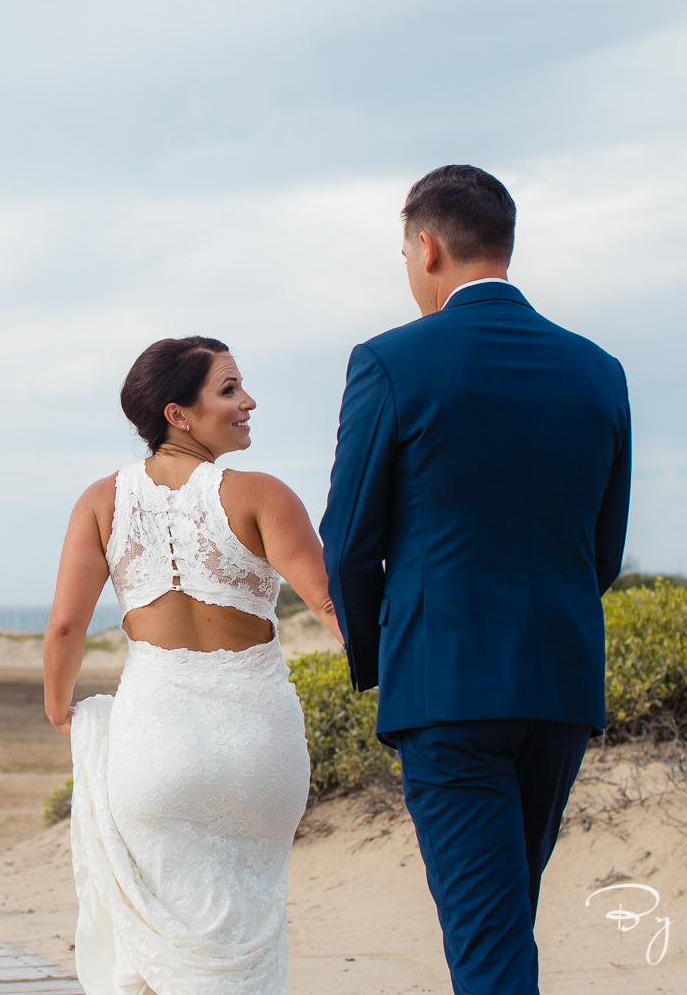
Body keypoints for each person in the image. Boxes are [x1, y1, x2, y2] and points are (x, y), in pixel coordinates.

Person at [321, 165, 631, 995]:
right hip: (559, 687)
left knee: (489, 948)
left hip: (446, 689)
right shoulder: (600, 370)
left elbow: (348, 544)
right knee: (504, 928)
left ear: (426, 248)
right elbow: (604, 549)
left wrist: (382, 660)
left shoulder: (390, 361)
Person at [44, 337, 343, 995]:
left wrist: (58, 706)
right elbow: (328, 600)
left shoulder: (101, 501)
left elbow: (66, 624)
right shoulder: (262, 495)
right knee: (250, 920)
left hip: (157, 744)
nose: (248, 401)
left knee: (163, 943)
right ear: (178, 414)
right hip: (259, 745)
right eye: (229, 389)